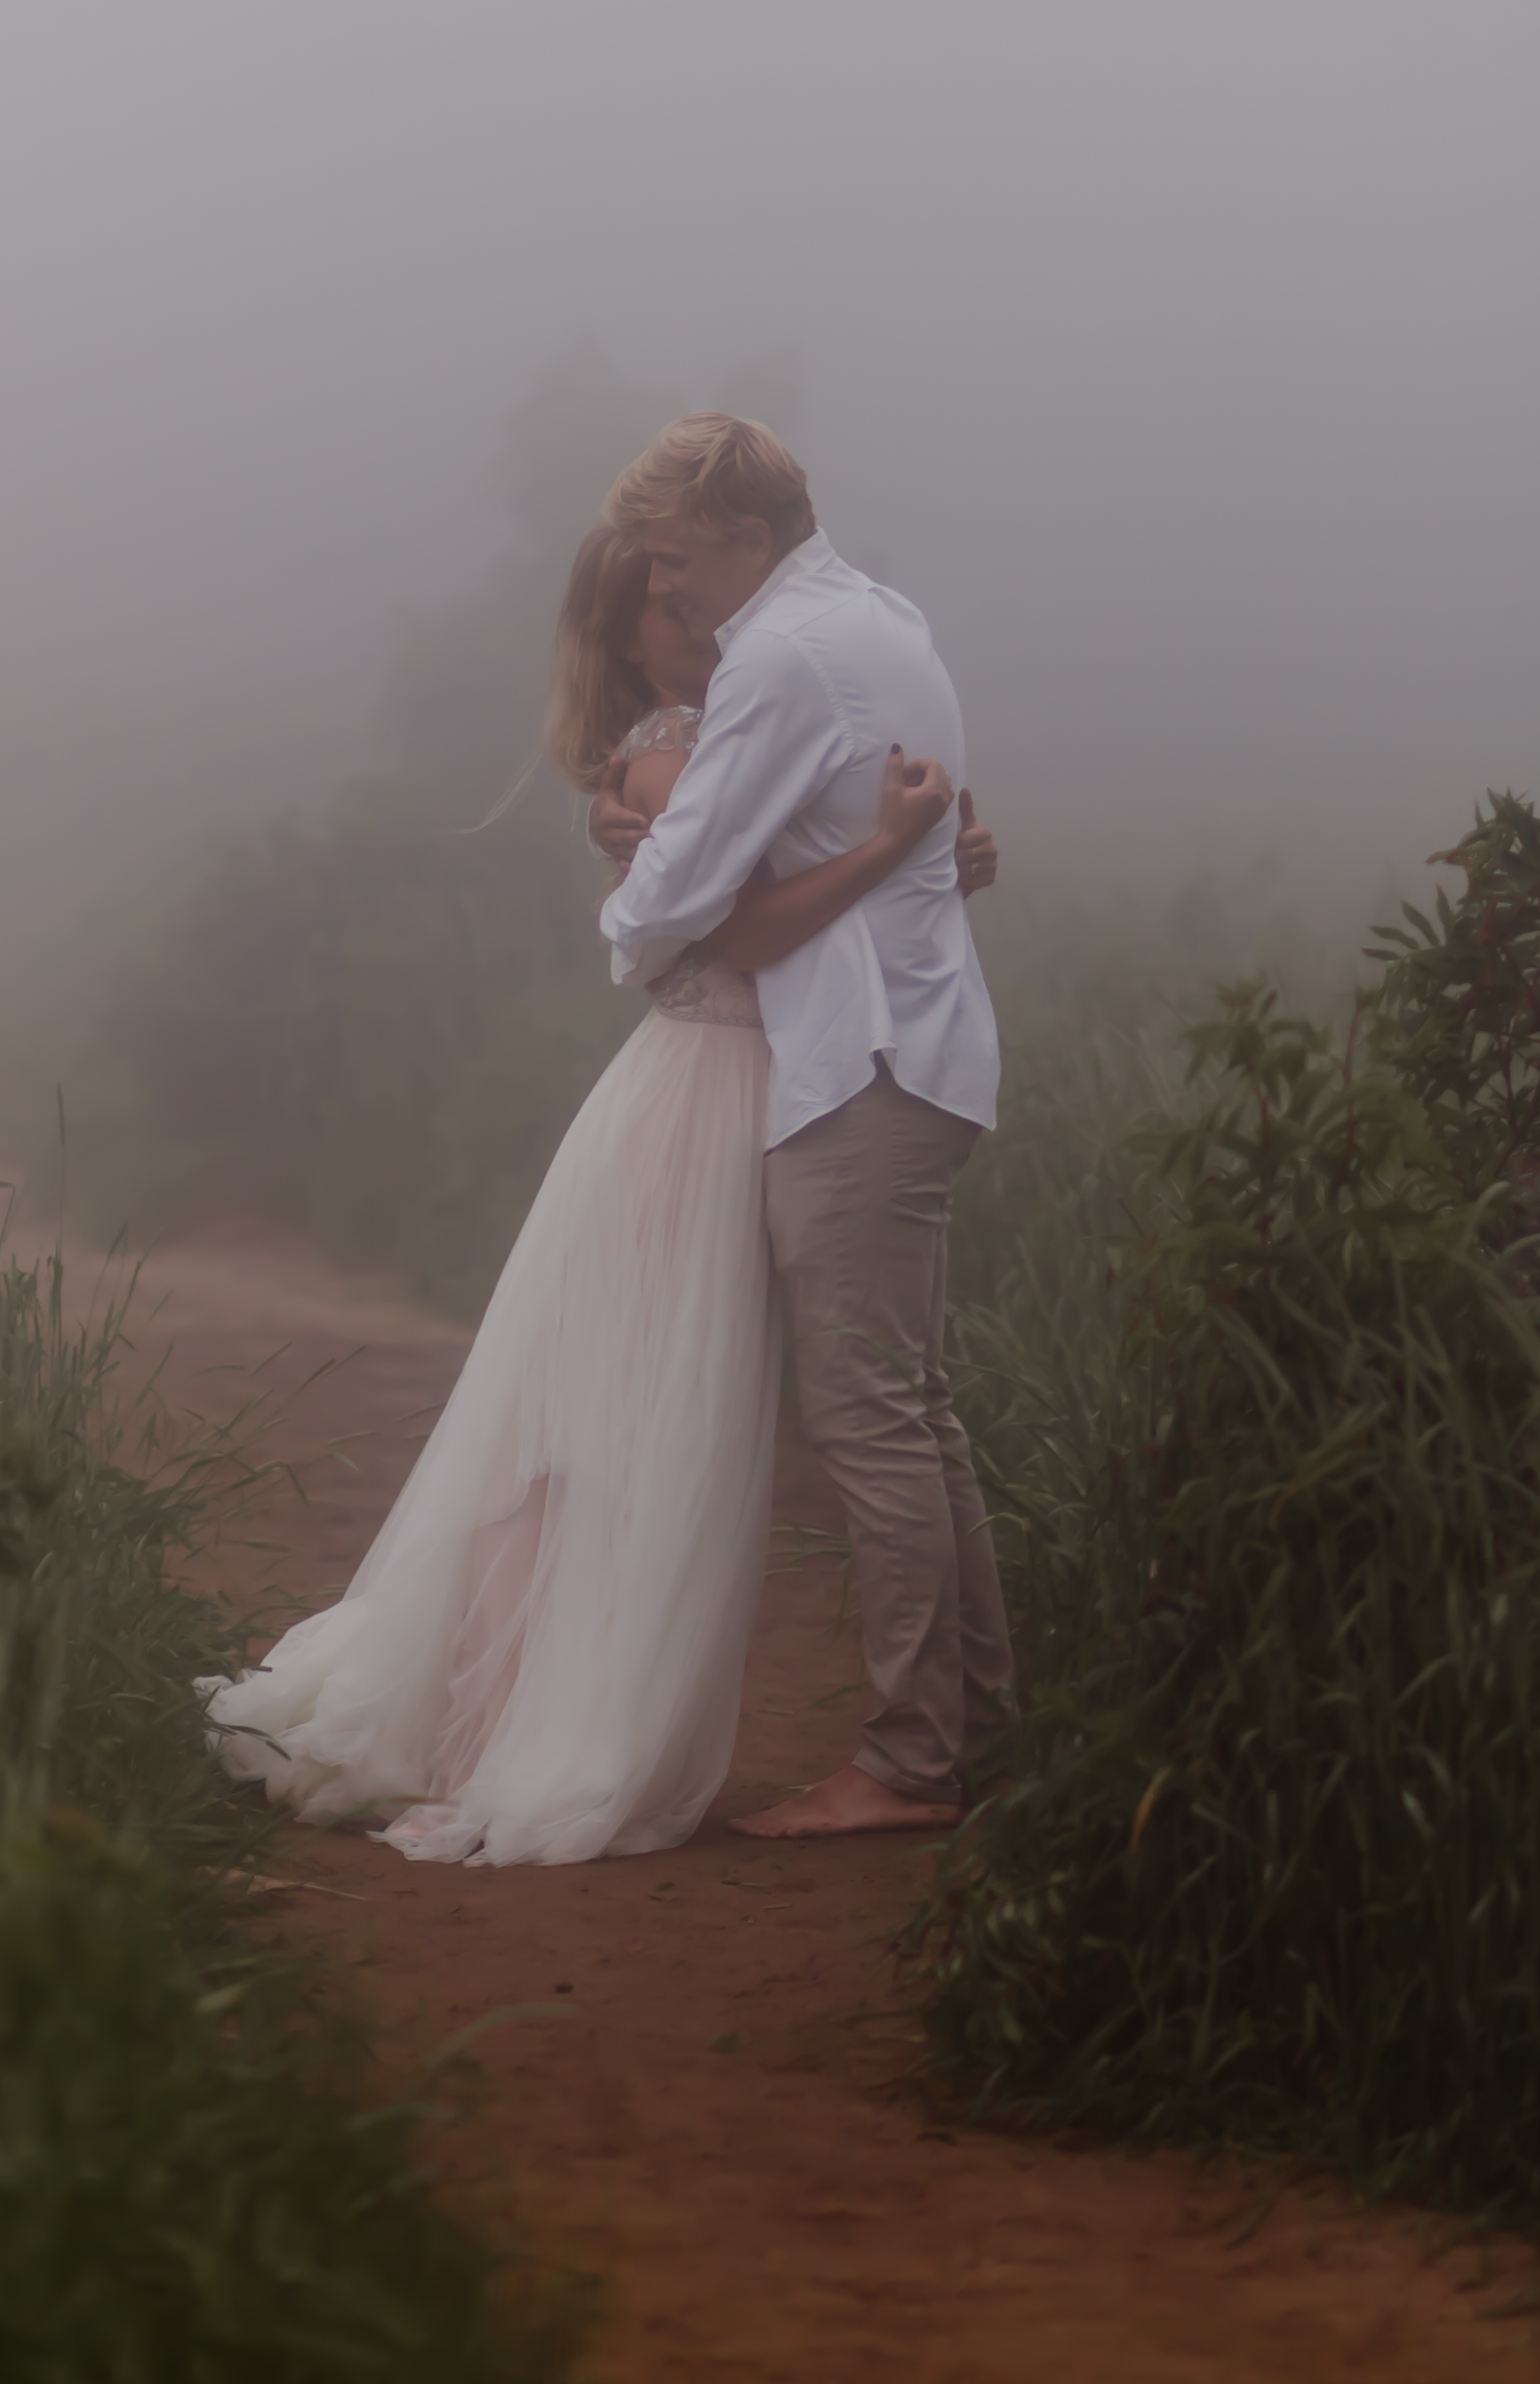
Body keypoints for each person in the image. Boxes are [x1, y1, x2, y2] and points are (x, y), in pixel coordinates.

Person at [199, 524, 986, 1865]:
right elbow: (736, 928)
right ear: (634, 639)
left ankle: (522, 1712)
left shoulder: (733, 724)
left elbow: (791, 872)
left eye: (681, 588)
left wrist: (933, 848)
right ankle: (514, 1721)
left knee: (622, 1419)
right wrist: (899, 846)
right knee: (608, 1427)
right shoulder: (687, 741)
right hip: (705, 1096)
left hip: (726, 1091)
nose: (687, 612)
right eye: (658, 608)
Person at [592, 412, 1007, 1840]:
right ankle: (974, 1729)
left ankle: (909, 1761)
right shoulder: (883, 616)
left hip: (861, 1064)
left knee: (872, 1423)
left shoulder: (778, 654)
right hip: (923, 1046)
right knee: (918, 1414)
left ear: (751, 537)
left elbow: (675, 895)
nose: (673, 589)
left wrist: (629, 904)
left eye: (681, 558)